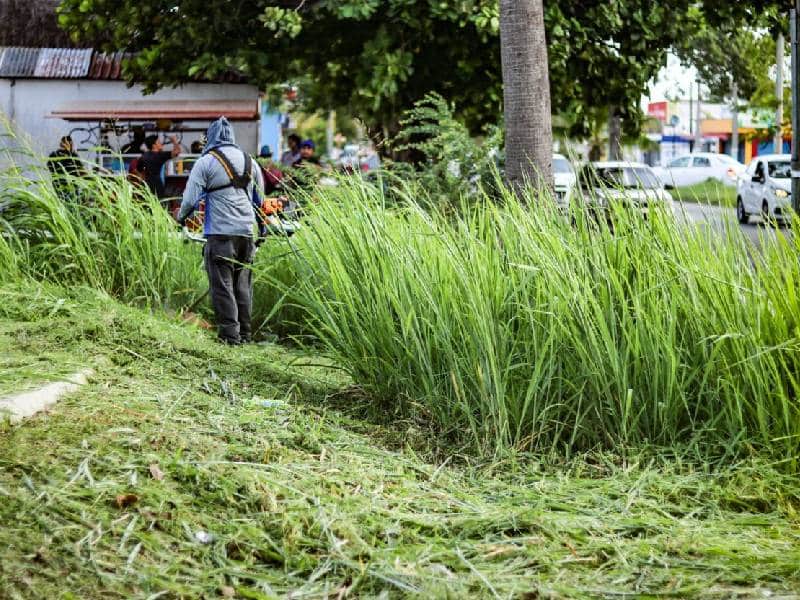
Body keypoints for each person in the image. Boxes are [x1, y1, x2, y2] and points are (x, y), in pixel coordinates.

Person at [177, 117, 267, 345]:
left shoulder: (206, 162)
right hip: (246, 235)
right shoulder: (251, 162)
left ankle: (229, 337)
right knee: (242, 286)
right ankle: (245, 335)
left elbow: (189, 200)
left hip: (220, 235)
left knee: (223, 286)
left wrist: (181, 219)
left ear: (210, 137)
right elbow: (261, 202)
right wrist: (263, 230)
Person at [47, 136, 85, 201]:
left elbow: (80, 169)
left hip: (70, 183)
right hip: (62, 183)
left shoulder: (73, 155)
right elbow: (50, 167)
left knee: (70, 200)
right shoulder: (55, 154)